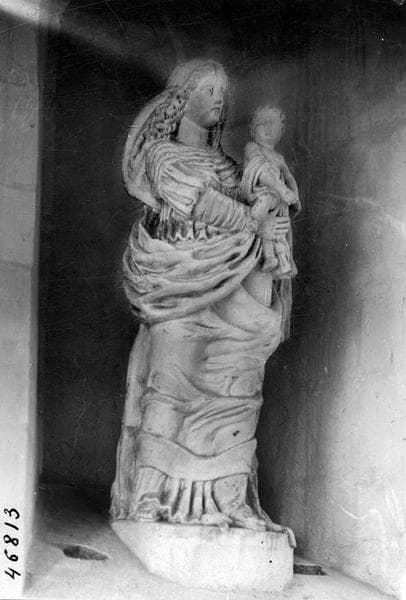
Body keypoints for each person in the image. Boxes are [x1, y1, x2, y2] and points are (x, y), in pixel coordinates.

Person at [110, 59, 295, 546]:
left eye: (222, 91)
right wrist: (253, 221)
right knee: (169, 388)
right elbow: (195, 202)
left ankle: (228, 501)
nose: (219, 98)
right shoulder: (162, 155)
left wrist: (270, 212)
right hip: (177, 284)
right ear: (181, 98)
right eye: (209, 89)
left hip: (232, 287)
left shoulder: (232, 168)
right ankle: (150, 498)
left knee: (238, 389)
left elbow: (258, 207)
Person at [241, 106, 300, 276]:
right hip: (258, 196)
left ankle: (279, 261)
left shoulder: (279, 158)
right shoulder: (252, 147)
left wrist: (294, 199)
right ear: (253, 128)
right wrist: (283, 190)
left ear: (281, 130)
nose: (267, 127)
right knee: (265, 221)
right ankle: (253, 226)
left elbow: (289, 178)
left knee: (278, 233)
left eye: (272, 123)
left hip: (277, 202)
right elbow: (258, 167)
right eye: (262, 123)